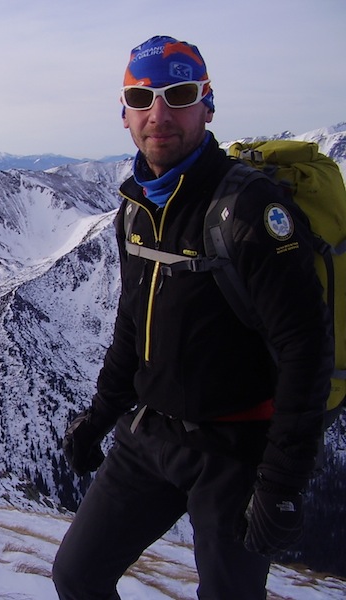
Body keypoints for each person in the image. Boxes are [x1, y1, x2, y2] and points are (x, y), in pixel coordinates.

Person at [52, 35, 333, 599]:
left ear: (207, 105)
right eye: (141, 97)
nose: (158, 114)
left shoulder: (249, 210)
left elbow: (306, 349)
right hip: (150, 434)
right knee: (77, 576)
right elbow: (131, 327)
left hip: (237, 451)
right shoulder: (136, 208)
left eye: (178, 95)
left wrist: (280, 482)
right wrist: (99, 418)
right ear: (124, 113)